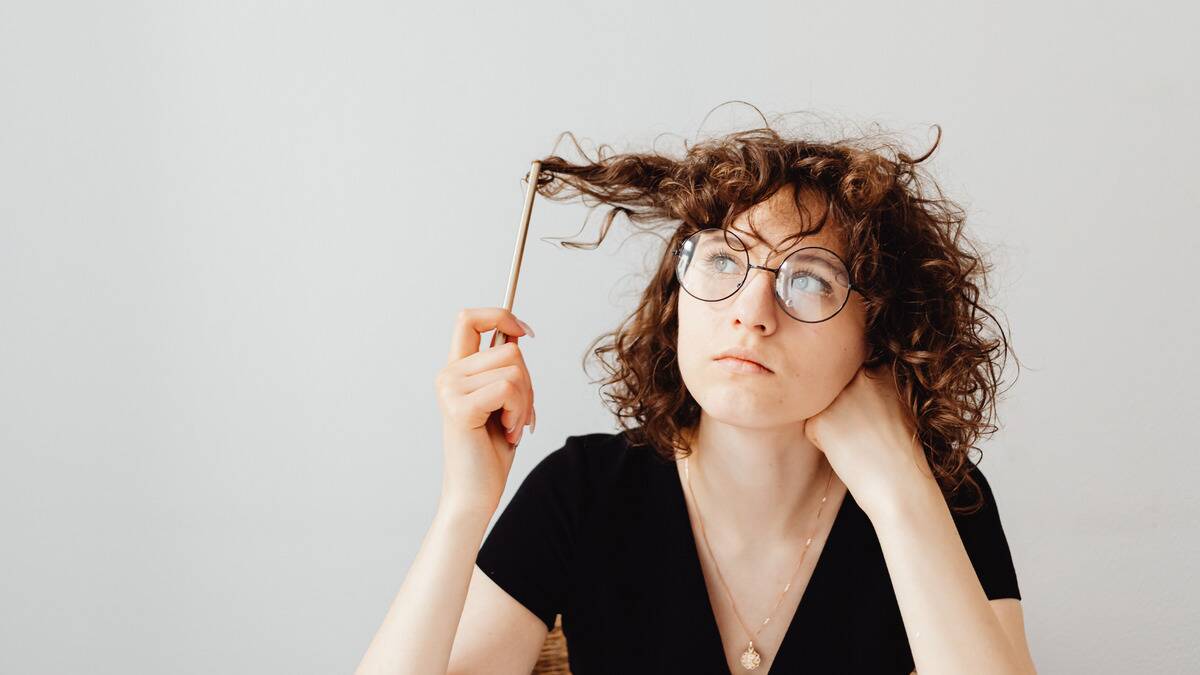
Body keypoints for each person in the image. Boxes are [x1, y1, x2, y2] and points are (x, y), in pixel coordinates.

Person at [353, 121, 1038, 675]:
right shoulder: (583, 491)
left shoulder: (943, 497)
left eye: (809, 279)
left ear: (880, 331)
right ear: (677, 296)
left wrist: (899, 492)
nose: (752, 311)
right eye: (722, 259)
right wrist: (464, 505)